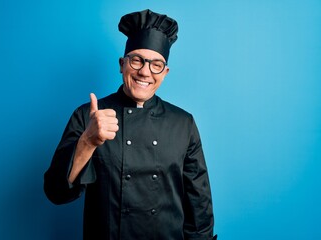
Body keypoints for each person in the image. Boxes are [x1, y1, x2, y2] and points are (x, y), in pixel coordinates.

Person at [44, 9, 217, 240]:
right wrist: (87, 141)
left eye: (156, 65)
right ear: (122, 64)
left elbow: (199, 206)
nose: (145, 72)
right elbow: (56, 192)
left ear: (164, 73)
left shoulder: (183, 124)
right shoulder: (88, 116)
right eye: (137, 60)